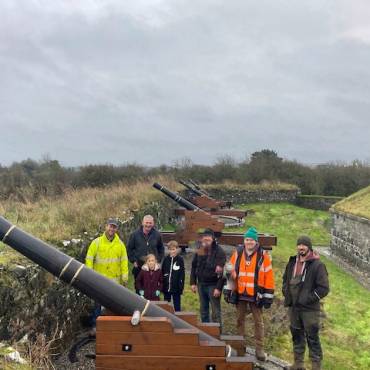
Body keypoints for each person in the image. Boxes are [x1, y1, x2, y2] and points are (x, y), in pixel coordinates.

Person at [282, 236, 329, 370]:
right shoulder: (292, 262)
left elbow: (324, 288)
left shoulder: (317, 265)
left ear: (309, 247)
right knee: (297, 336)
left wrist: (307, 298)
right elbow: (285, 279)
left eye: (304, 245)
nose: (301, 247)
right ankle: (298, 365)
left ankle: (316, 367)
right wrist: (285, 291)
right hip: (294, 308)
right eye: (299, 245)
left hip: (310, 310)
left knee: (312, 338)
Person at [229, 226, 275, 362]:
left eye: (251, 240)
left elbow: (269, 277)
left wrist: (268, 296)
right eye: (247, 239)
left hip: (257, 295)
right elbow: (230, 271)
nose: (249, 242)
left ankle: (259, 349)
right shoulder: (237, 253)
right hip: (240, 294)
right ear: (244, 241)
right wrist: (229, 290)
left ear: (256, 241)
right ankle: (240, 346)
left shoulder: (263, 256)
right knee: (239, 320)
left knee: (258, 322)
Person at [85, 218, 128, 329]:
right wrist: (90, 273)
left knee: (113, 304)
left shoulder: (120, 245)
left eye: (114, 227)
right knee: (97, 304)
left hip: (114, 281)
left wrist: (125, 276)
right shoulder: (96, 242)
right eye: (110, 226)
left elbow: (124, 261)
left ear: (116, 229)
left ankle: (112, 325)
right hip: (99, 280)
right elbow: (89, 258)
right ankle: (96, 325)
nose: (112, 229)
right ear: (106, 227)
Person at [190, 228, 226, 325]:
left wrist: (218, 288)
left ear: (213, 239)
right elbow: (193, 266)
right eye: (204, 239)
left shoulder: (220, 252)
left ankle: (218, 334)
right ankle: (206, 331)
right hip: (201, 284)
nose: (206, 241)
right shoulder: (199, 250)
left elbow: (223, 273)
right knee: (203, 310)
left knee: (215, 312)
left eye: (208, 239)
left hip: (213, 285)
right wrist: (193, 282)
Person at [127, 215, 164, 286]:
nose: (148, 225)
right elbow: (129, 249)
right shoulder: (134, 235)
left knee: (152, 289)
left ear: (153, 223)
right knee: (139, 289)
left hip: (153, 268)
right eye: (146, 222)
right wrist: (133, 261)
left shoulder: (157, 235)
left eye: (150, 223)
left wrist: (158, 261)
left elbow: (161, 249)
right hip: (139, 267)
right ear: (142, 223)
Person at [162, 240, 185, 311]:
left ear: (177, 249)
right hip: (167, 286)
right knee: (166, 305)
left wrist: (181, 286)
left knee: (177, 305)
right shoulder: (166, 259)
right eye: (170, 249)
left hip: (176, 287)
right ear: (168, 250)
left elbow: (182, 274)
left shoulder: (180, 260)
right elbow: (163, 271)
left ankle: (178, 317)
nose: (172, 251)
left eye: (174, 249)